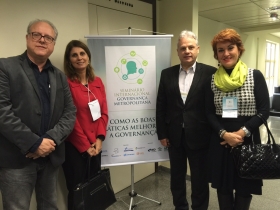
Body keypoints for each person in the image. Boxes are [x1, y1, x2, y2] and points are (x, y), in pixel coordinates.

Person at [0, 19, 76, 209]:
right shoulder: (5, 67)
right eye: (37, 35)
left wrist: (50, 140)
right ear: (27, 38)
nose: (42, 40)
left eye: (48, 37)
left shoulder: (59, 76)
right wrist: (34, 143)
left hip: (50, 156)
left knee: (49, 205)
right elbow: (2, 112)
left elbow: (69, 112)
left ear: (53, 45)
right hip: (17, 158)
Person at [205, 28, 270, 210]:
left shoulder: (254, 75)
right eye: (220, 50)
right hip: (221, 140)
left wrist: (241, 133)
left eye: (230, 48)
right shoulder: (211, 80)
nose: (226, 53)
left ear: (239, 49)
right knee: (223, 187)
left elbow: (264, 111)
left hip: (247, 139)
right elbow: (209, 112)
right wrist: (224, 134)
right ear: (216, 55)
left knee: (244, 187)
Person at [156, 30, 216, 210]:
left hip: (200, 136)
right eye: (183, 48)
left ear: (198, 49)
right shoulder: (167, 74)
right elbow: (161, 105)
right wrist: (162, 132)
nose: (187, 51)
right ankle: (180, 206)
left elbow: (214, 107)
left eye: (191, 47)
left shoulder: (211, 73)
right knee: (176, 177)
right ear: (178, 52)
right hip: (174, 137)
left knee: (199, 179)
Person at [62, 40, 109, 210]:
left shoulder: (97, 82)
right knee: (78, 191)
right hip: (75, 147)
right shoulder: (65, 84)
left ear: (88, 57)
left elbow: (103, 113)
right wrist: (84, 145)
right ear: (69, 60)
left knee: (95, 188)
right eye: (74, 55)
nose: (79, 58)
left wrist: (99, 139)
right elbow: (69, 118)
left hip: (96, 145)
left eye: (82, 54)